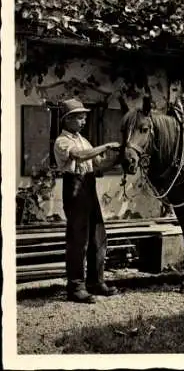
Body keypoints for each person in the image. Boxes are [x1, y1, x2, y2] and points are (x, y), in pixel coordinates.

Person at [54, 98, 121, 304]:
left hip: (89, 187)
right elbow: (80, 156)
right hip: (74, 189)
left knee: (98, 237)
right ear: (68, 120)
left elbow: (98, 164)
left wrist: (120, 156)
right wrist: (106, 145)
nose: (83, 121)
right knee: (78, 240)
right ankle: (75, 287)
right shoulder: (62, 141)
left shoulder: (84, 139)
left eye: (84, 117)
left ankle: (95, 282)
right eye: (79, 118)